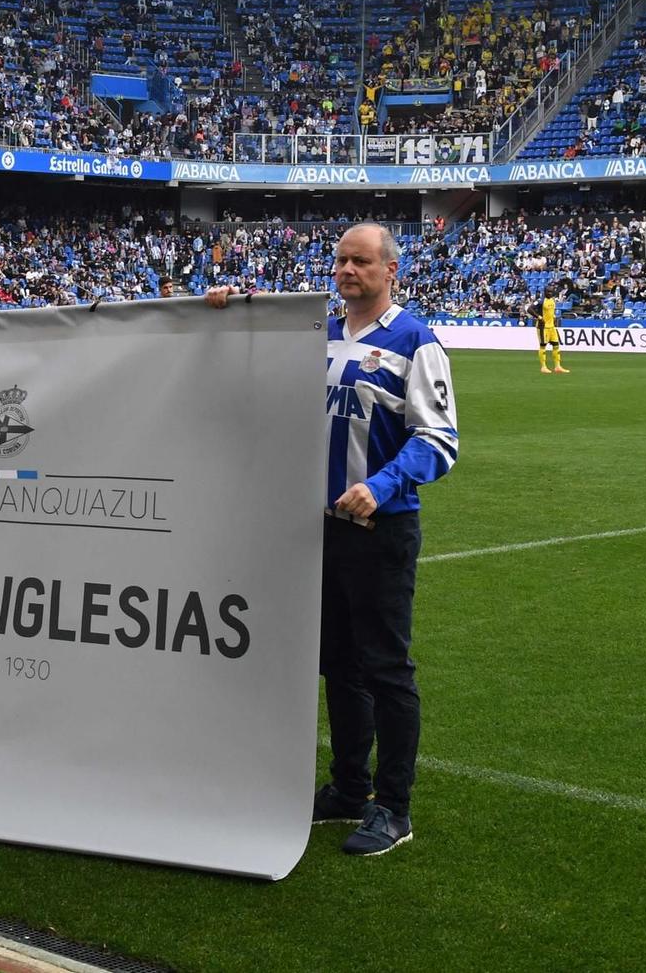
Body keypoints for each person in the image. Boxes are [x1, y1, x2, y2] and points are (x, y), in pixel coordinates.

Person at [208, 222, 458, 856]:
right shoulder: (315, 334)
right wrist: (223, 317)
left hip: (380, 529)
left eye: (362, 261)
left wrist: (380, 483)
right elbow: (259, 385)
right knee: (339, 666)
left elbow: (439, 440)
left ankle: (394, 808)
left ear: (390, 271)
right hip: (318, 532)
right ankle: (349, 788)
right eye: (341, 260)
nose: (347, 270)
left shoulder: (415, 341)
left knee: (387, 670)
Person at [534, 288, 569, 374]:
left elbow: (551, 312)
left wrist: (553, 318)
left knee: (556, 345)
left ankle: (557, 366)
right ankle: (543, 367)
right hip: (543, 327)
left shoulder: (552, 300)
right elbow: (530, 309)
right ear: (545, 292)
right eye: (548, 292)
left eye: (551, 292)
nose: (550, 293)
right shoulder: (541, 301)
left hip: (552, 327)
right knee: (543, 346)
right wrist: (539, 317)